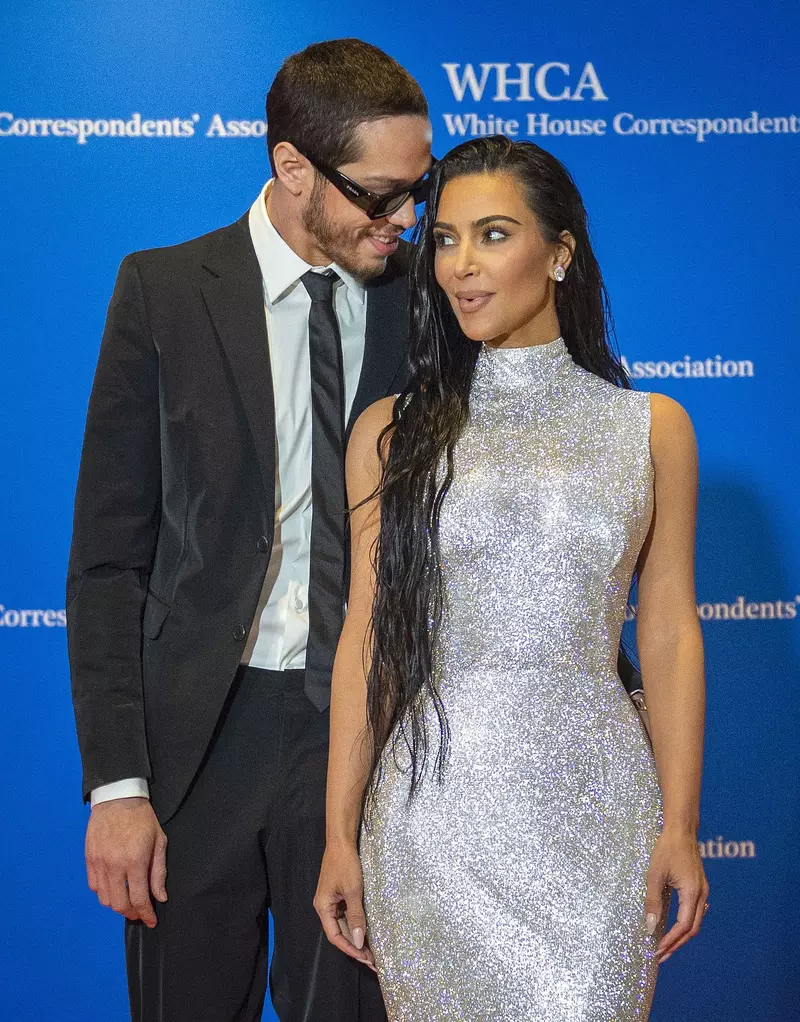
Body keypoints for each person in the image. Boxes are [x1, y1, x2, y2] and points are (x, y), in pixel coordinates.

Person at [66, 39, 434, 1022]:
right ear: (292, 171)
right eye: (379, 195)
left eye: (418, 190)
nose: (405, 220)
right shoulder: (161, 290)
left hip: (361, 735)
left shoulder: (427, 301)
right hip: (195, 749)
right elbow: (107, 558)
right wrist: (117, 784)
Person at [315, 136, 709, 1021]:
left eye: (493, 234)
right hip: (433, 818)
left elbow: (671, 630)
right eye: (445, 239)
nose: (461, 265)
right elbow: (370, 640)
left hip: (597, 815)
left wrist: (681, 825)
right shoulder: (391, 431)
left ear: (559, 252)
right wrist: (340, 836)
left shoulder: (650, 428)